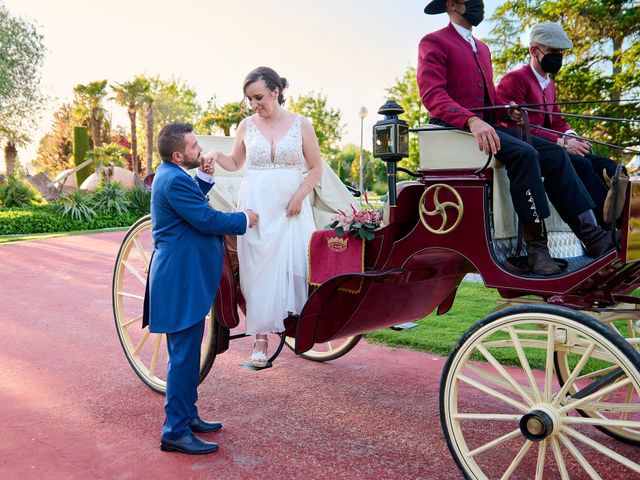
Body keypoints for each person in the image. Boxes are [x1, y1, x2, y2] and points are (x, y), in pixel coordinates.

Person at [417, 0, 614, 275]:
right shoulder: (433, 41)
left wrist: (507, 112)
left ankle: (593, 236)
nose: (479, 4)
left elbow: (488, 100)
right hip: (454, 128)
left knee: (556, 154)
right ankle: (537, 250)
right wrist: (472, 121)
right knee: (525, 153)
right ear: (452, 4)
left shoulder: (482, 48)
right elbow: (432, 96)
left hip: (486, 126)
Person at [147, 123, 258, 454]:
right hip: (180, 280)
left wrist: (206, 178)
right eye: (196, 147)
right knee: (183, 358)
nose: (201, 150)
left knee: (187, 355)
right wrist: (244, 219)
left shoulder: (173, 175)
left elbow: (190, 203)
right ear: (179, 154)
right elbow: (206, 220)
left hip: (184, 278)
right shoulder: (172, 180)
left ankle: (188, 415)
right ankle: (174, 431)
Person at [205, 66, 322, 367]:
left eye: (258, 97)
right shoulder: (246, 126)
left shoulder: (301, 124)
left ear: (276, 91)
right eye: (249, 99)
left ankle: (295, 322)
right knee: (257, 268)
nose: (254, 104)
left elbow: (316, 167)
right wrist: (218, 157)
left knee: (291, 264)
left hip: (291, 207)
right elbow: (235, 162)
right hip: (255, 203)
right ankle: (260, 337)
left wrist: (300, 195)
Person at [497, 21, 623, 227]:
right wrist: (561, 143)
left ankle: (624, 221)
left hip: (554, 145)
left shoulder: (549, 84)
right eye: (552, 51)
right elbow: (515, 126)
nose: (558, 57)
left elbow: (557, 120)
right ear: (534, 51)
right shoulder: (515, 79)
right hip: (535, 151)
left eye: (561, 52)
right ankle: (605, 227)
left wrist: (571, 136)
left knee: (610, 167)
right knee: (582, 165)